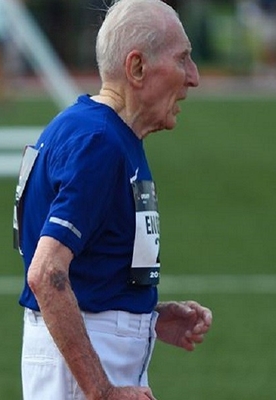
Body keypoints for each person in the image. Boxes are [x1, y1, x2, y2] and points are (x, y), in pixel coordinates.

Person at [13, 0, 213, 399]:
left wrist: (147, 317)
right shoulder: (99, 143)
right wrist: (101, 391)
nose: (193, 77)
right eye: (182, 59)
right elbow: (46, 274)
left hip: (81, 363)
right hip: (84, 374)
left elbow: (88, 270)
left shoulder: (91, 130)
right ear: (136, 67)